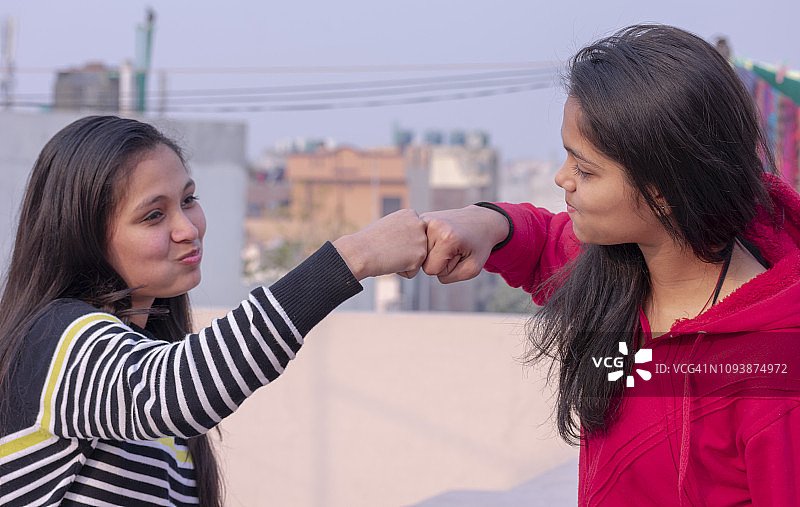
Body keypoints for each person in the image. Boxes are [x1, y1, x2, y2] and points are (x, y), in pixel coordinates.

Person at [421, 25, 800, 505]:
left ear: (664, 187)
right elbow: (543, 245)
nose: (562, 179)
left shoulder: (777, 377)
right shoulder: (627, 265)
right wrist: (485, 222)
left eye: (585, 170)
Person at [0, 115, 427, 506]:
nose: (188, 229)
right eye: (153, 215)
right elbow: (167, 393)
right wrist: (354, 256)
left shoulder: (149, 357)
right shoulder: (52, 338)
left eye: (188, 199)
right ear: (84, 235)